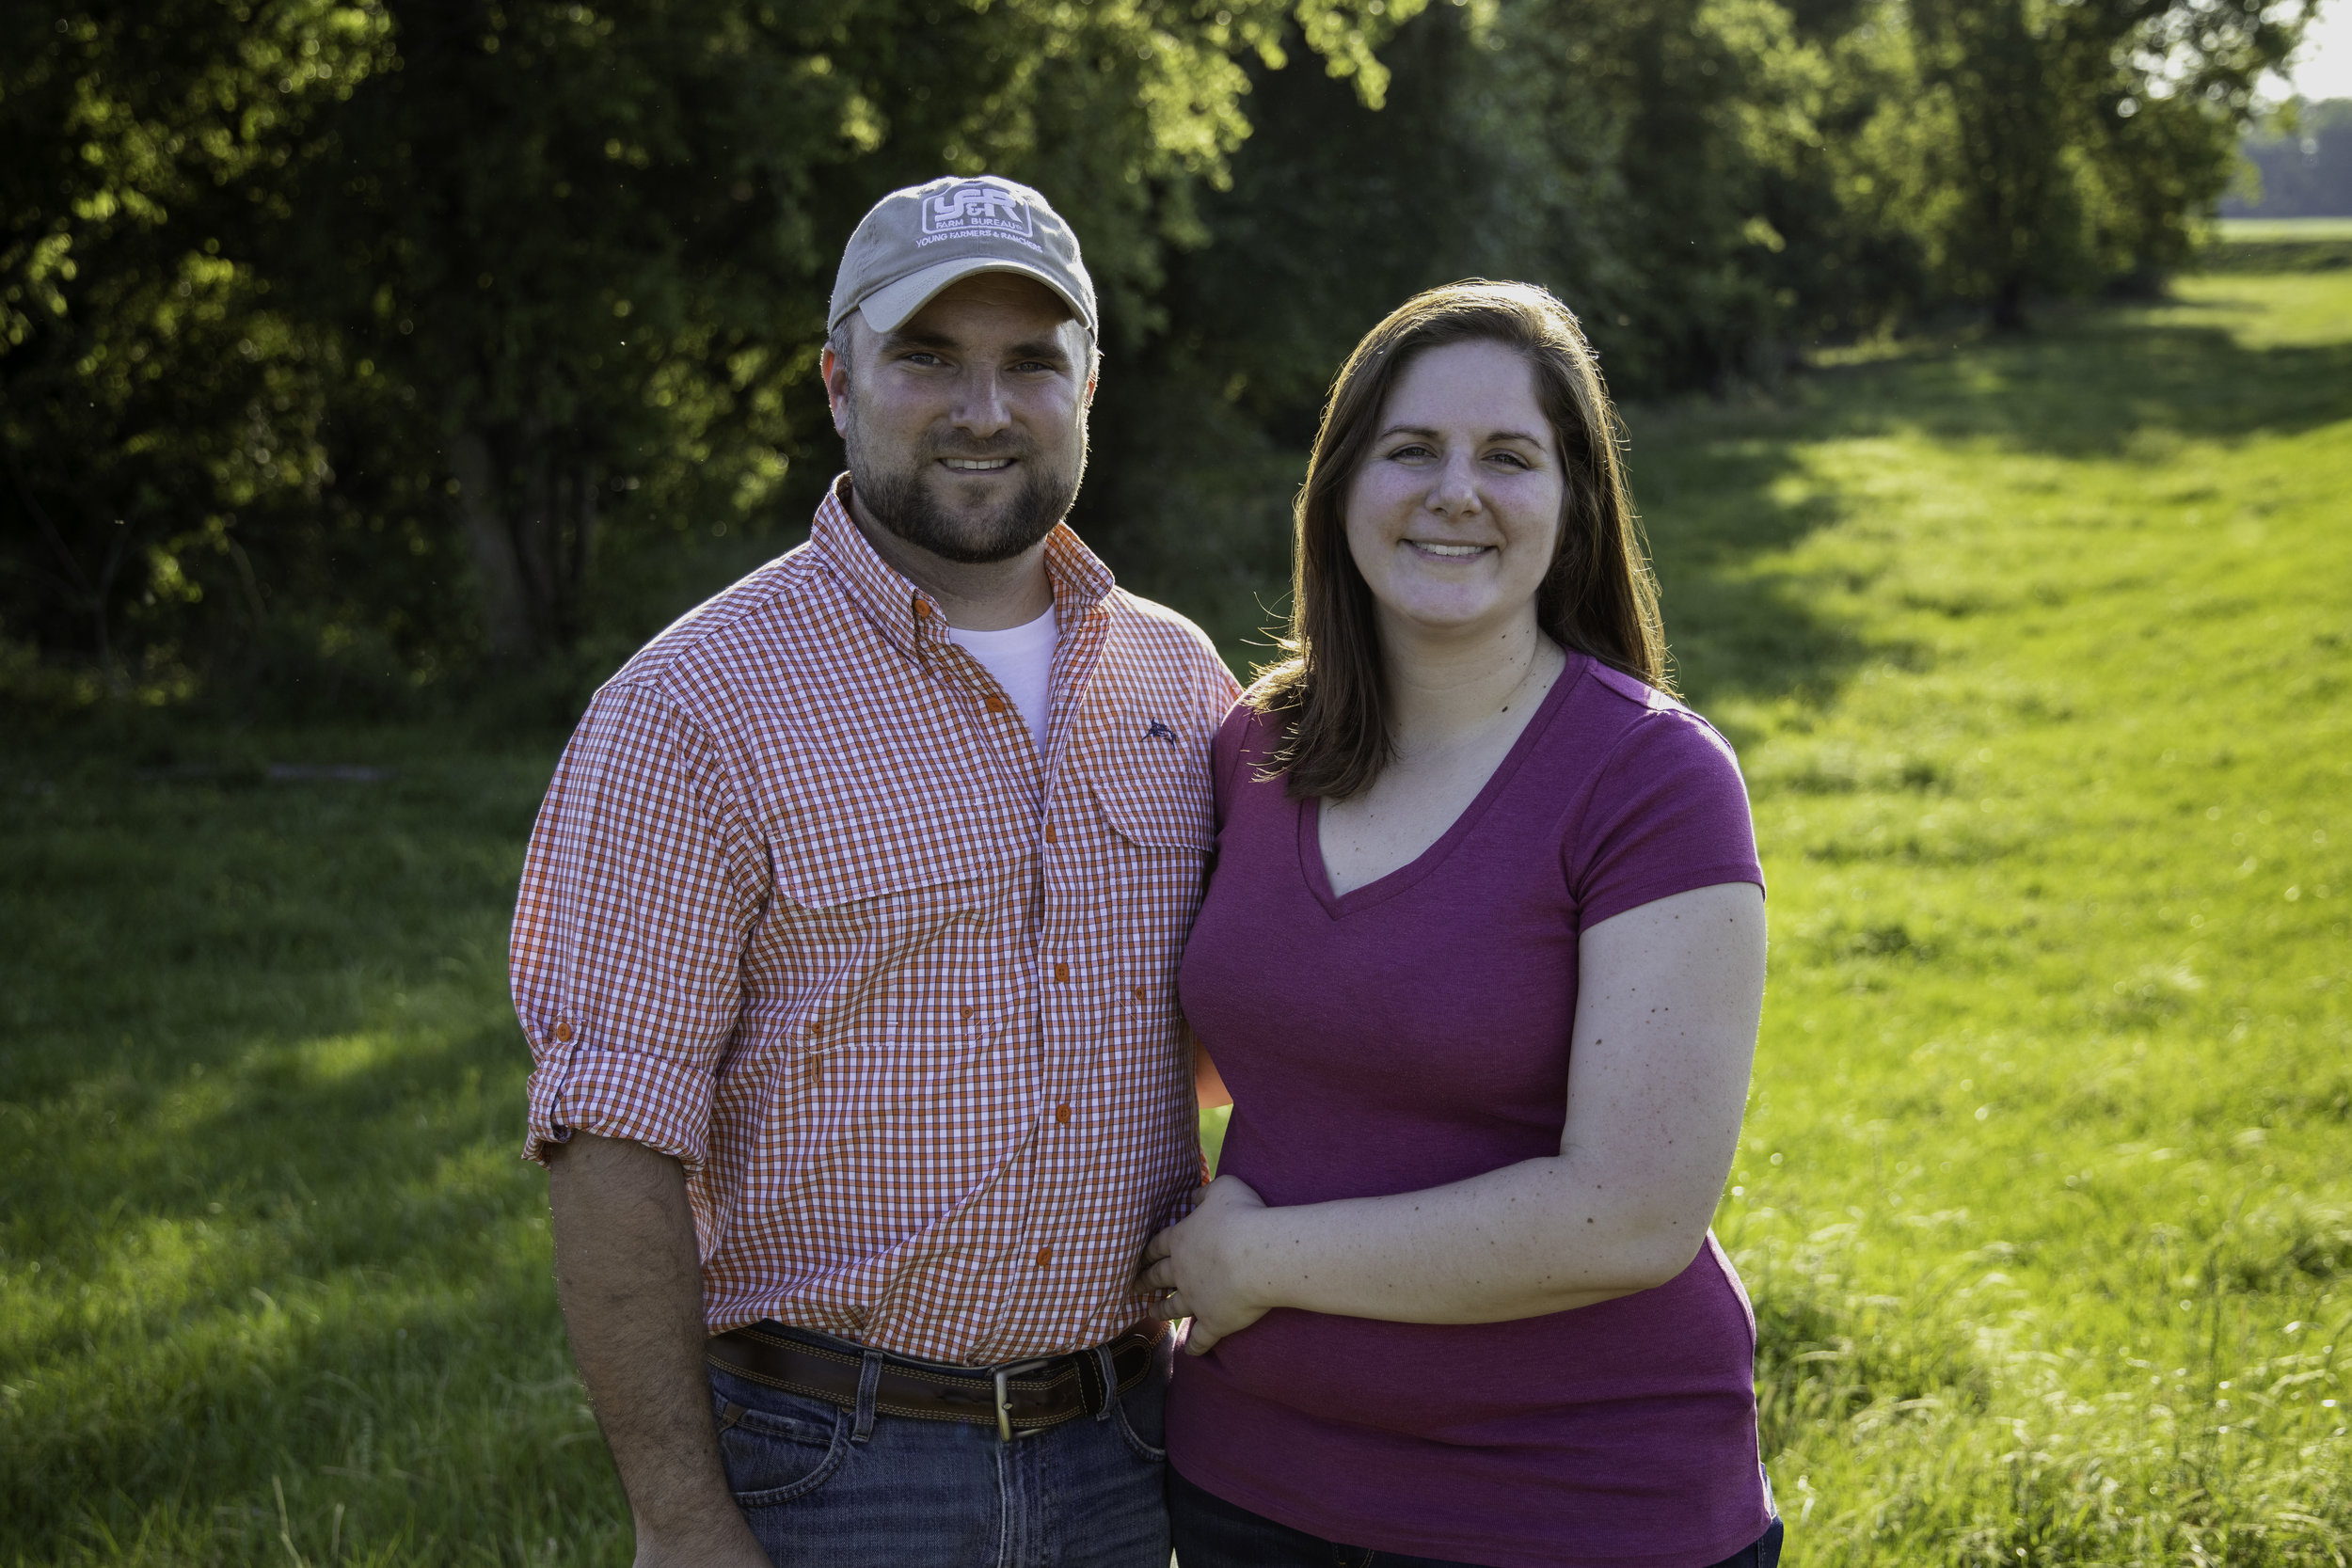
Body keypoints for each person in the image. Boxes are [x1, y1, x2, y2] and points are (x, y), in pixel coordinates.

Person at [512, 174, 1238, 1567]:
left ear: (1093, 386)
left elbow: (1257, 1031)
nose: (984, 408)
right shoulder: (693, 708)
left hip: (1138, 1443)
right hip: (834, 1467)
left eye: (1031, 362)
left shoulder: (1176, 676)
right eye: (927, 358)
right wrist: (680, 1522)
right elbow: (611, 1139)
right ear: (838, 379)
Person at [1139, 280, 1780, 1568]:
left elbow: (1631, 1213)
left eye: (1509, 457)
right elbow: (1228, 1043)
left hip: (1572, 1504)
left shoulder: (1652, 781)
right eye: (1412, 450)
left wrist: (1257, 1260)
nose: (1456, 492)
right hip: (1248, 1486)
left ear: (1575, 504)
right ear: (1340, 487)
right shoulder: (1253, 748)